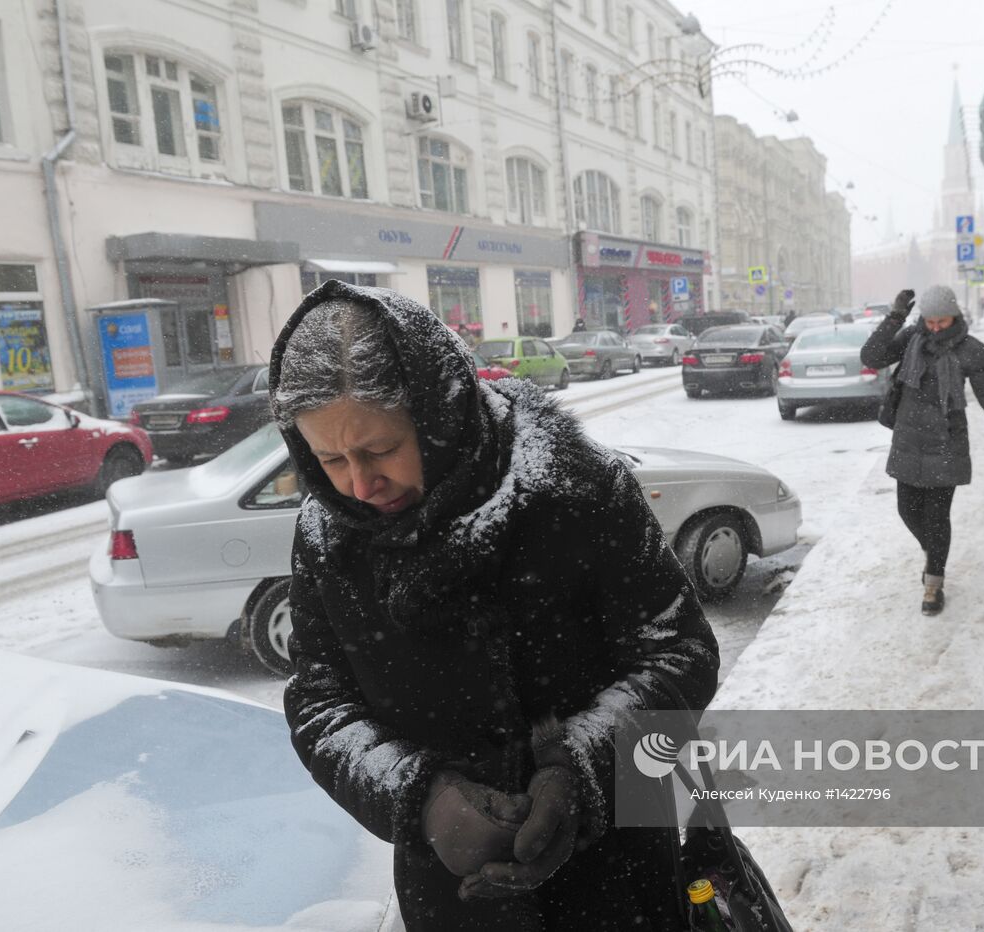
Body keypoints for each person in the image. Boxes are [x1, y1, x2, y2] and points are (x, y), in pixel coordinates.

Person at [268, 281, 717, 931]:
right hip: (454, 896)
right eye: (329, 458)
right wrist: (420, 799)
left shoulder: (576, 485)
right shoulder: (327, 536)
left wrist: (582, 769)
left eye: (379, 449)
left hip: (618, 874)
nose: (359, 484)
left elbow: (681, 647)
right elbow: (319, 704)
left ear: (437, 413)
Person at [861, 285, 984, 615]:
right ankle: (934, 553)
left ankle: (933, 584)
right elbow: (871, 356)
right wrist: (895, 316)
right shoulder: (912, 339)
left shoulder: (971, 349)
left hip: (947, 443)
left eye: (942, 321)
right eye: (931, 321)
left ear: (955, 315)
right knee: (908, 511)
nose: (936, 327)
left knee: (937, 518)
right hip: (909, 442)